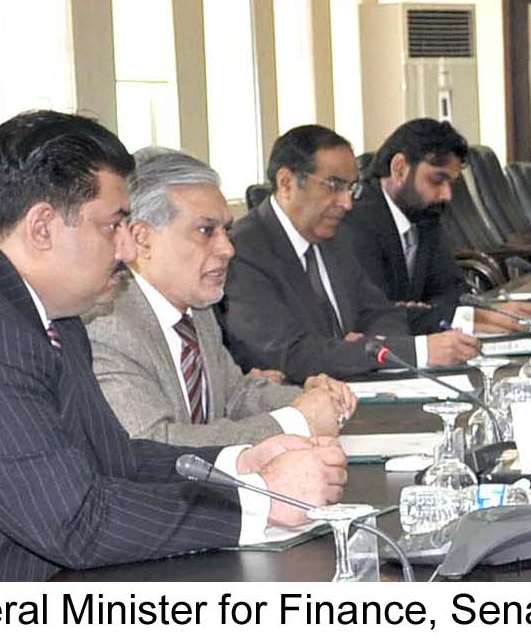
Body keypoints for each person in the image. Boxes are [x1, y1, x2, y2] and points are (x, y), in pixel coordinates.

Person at [0, 111, 345, 581]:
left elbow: (114, 457)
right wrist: (263, 499)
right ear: (43, 227)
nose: (128, 251)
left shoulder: (43, 307)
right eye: (114, 226)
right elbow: (76, 522)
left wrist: (238, 464)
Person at [88, 148, 359, 445]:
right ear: (142, 239)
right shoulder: (107, 325)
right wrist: (294, 421)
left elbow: (235, 395)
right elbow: (155, 442)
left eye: (226, 230)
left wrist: (314, 399)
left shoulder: (198, 311)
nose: (228, 249)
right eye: (206, 231)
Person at [219, 124, 482, 381]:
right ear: (286, 183)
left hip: (355, 390)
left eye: (349, 188)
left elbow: (381, 312)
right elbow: (287, 354)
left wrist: (372, 345)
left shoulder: (331, 238)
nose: (346, 203)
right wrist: (408, 352)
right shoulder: (243, 250)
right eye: (334, 186)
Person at [339, 118, 531, 335]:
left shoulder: (424, 216)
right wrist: (455, 316)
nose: (447, 195)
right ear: (399, 169)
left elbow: (453, 290)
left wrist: (428, 311)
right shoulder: (356, 222)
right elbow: (377, 317)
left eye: (450, 183)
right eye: (437, 180)